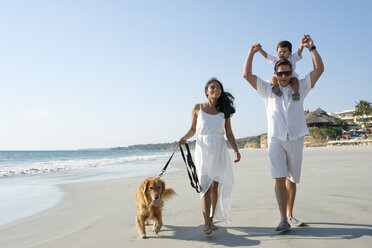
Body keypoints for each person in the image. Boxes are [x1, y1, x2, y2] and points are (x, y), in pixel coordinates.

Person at [242, 34, 324, 231]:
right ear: (276, 73)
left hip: (295, 138)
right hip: (276, 140)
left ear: (291, 72)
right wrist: (251, 53)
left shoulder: (301, 87)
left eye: (287, 73)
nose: (284, 76)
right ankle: (283, 219)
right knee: (279, 178)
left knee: (292, 179)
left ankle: (290, 213)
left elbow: (319, 69)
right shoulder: (268, 90)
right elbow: (247, 75)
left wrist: (312, 48)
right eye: (281, 74)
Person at [179, 78, 241, 235]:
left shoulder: (224, 111)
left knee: (215, 186)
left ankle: (211, 220)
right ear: (206, 91)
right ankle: (206, 224)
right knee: (205, 186)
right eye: (212, 87)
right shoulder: (197, 108)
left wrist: (236, 150)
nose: (216, 89)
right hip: (203, 149)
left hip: (219, 149)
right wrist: (185, 137)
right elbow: (193, 129)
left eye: (218, 87)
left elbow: (229, 132)